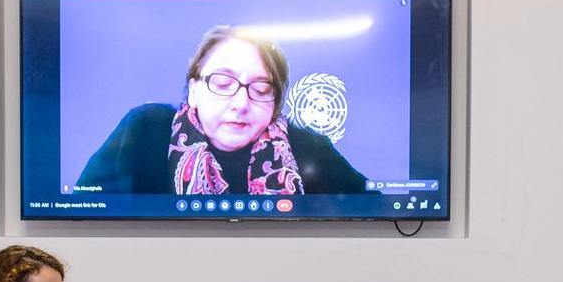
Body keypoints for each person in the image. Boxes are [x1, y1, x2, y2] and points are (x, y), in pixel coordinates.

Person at [75, 25, 375, 198]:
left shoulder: (306, 147)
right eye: (222, 83)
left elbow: (375, 204)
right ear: (194, 90)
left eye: (260, 89)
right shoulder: (146, 129)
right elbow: (86, 204)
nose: (240, 103)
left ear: (275, 105)